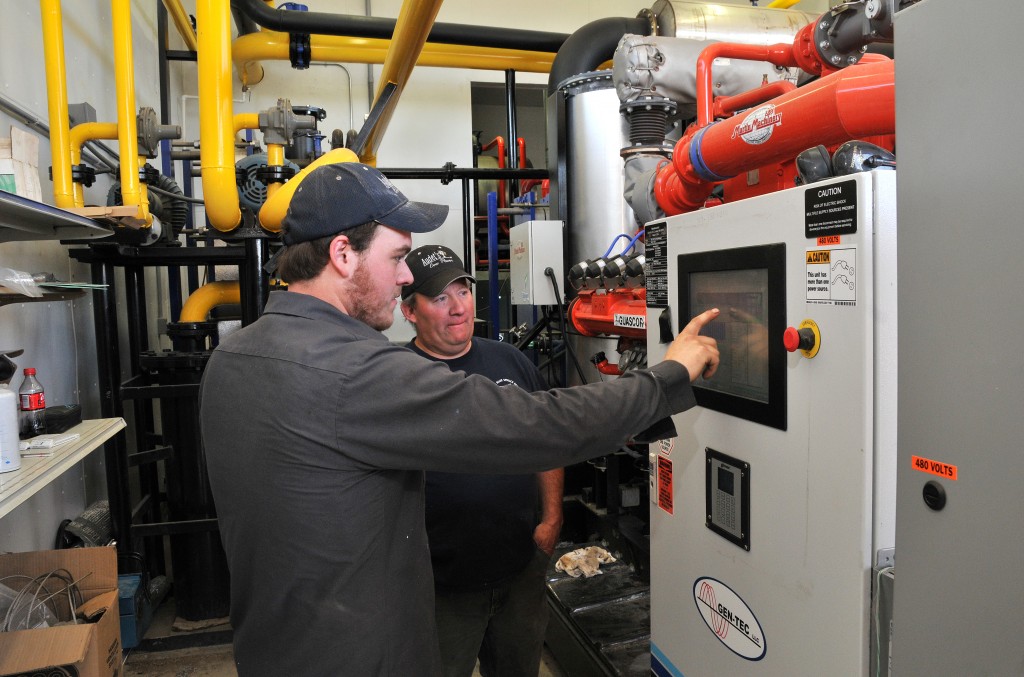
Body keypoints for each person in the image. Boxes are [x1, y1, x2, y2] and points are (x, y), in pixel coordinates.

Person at [199, 160, 720, 677]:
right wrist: (668, 376)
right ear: (341, 254)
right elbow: (536, 425)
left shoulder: (230, 360)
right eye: (398, 257)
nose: (405, 275)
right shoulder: (353, 371)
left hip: (272, 649)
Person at [400, 245, 562, 677]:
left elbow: (545, 439)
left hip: (519, 572)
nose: (458, 308)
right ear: (409, 312)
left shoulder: (508, 360)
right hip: (439, 587)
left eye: (463, 291)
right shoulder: (397, 377)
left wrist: (551, 518)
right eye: (439, 298)